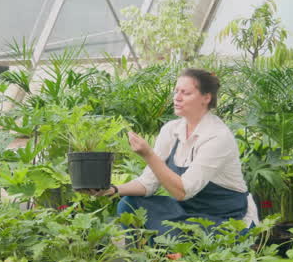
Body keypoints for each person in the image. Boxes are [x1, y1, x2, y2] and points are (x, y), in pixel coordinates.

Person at [101, 68, 251, 235]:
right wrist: (112, 189)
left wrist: (148, 154)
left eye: (185, 93)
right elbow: (148, 183)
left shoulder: (217, 136)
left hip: (225, 218)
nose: (177, 98)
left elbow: (183, 192)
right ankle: (139, 251)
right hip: (185, 211)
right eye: (176, 91)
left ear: (206, 98)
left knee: (174, 233)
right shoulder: (171, 130)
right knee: (129, 204)